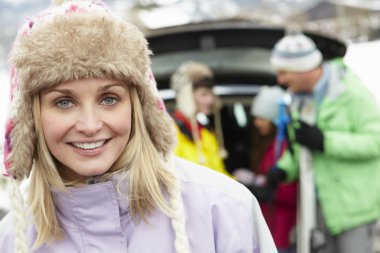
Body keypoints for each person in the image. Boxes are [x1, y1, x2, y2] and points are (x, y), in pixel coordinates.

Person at [0, 1, 277, 253]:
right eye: (63, 102)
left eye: (109, 99)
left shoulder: (224, 209)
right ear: (31, 118)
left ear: (139, 107)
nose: (90, 125)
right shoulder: (12, 239)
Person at [267, 32, 380, 253]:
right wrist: (283, 170)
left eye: (284, 72)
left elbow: (375, 141)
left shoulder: (351, 93)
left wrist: (325, 142)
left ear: (303, 67)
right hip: (316, 209)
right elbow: (302, 147)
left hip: (354, 210)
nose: (280, 80)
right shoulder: (299, 101)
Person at [234, 86, 297, 253]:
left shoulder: (283, 148)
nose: (256, 123)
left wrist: (257, 189)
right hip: (268, 224)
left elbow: (290, 193)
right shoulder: (268, 146)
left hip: (281, 228)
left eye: (262, 118)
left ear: (274, 119)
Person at [170, 61, 231, 176]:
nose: (210, 100)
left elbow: (219, 174)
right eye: (204, 94)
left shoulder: (206, 132)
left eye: (211, 94)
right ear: (186, 95)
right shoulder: (169, 131)